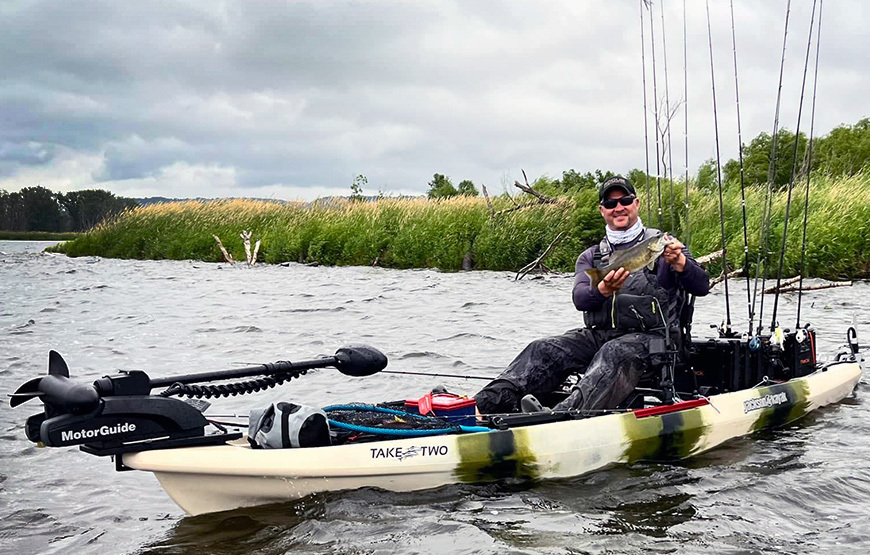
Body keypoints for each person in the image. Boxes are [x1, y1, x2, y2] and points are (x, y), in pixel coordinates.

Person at [474, 175, 710, 415]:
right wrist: (603, 290)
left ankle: (560, 417)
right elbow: (580, 299)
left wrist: (681, 263)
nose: (618, 208)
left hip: (655, 342)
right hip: (602, 336)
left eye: (625, 200)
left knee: (614, 352)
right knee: (542, 348)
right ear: (602, 210)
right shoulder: (592, 257)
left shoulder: (664, 245)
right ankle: (481, 406)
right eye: (610, 204)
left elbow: (701, 286)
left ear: (636, 204)